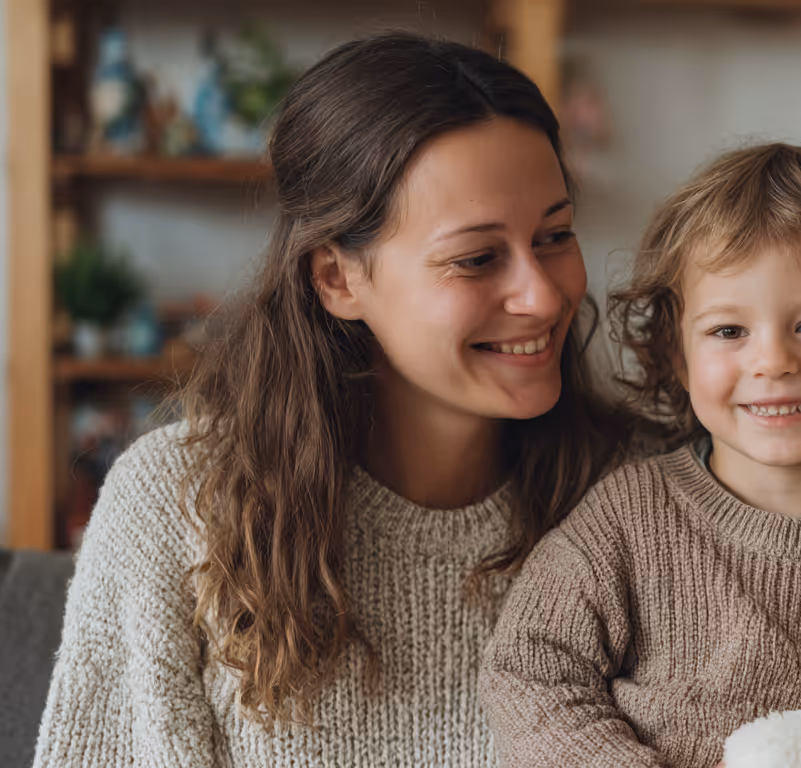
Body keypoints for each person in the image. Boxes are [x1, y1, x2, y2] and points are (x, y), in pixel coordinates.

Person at [33, 32, 632, 766]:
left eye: (555, 235)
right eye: (476, 258)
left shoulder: (645, 498)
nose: (543, 295)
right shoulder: (174, 506)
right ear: (336, 279)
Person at [478, 143, 801, 768]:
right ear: (678, 353)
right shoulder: (630, 514)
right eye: (729, 331)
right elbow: (527, 670)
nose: (773, 361)